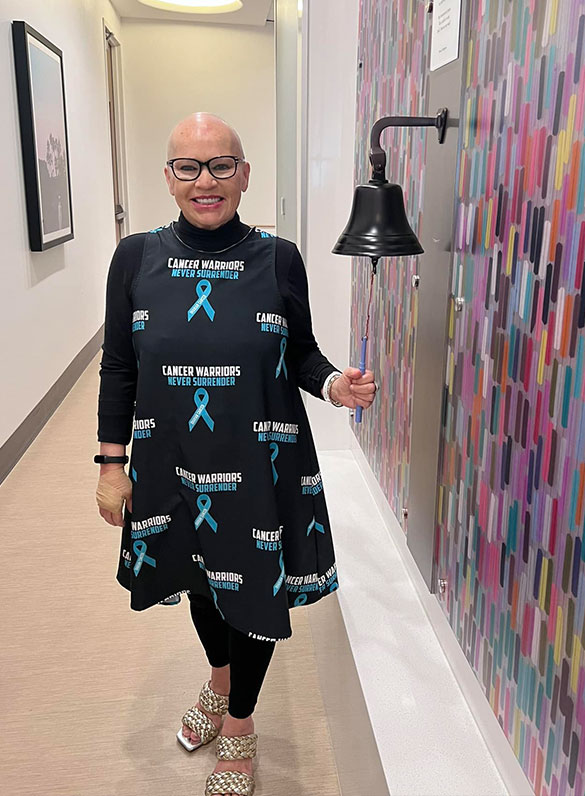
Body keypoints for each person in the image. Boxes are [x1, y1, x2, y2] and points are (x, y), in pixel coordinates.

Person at [95, 112, 377, 796]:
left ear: (244, 174)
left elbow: (300, 353)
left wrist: (335, 384)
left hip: (258, 460)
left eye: (221, 165)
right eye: (188, 168)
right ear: (168, 177)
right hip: (169, 461)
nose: (206, 182)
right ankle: (218, 682)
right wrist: (110, 461)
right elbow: (119, 365)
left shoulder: (278, 259)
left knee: (250, 592)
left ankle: (242, 723)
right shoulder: (134, 257)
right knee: (198, 582)